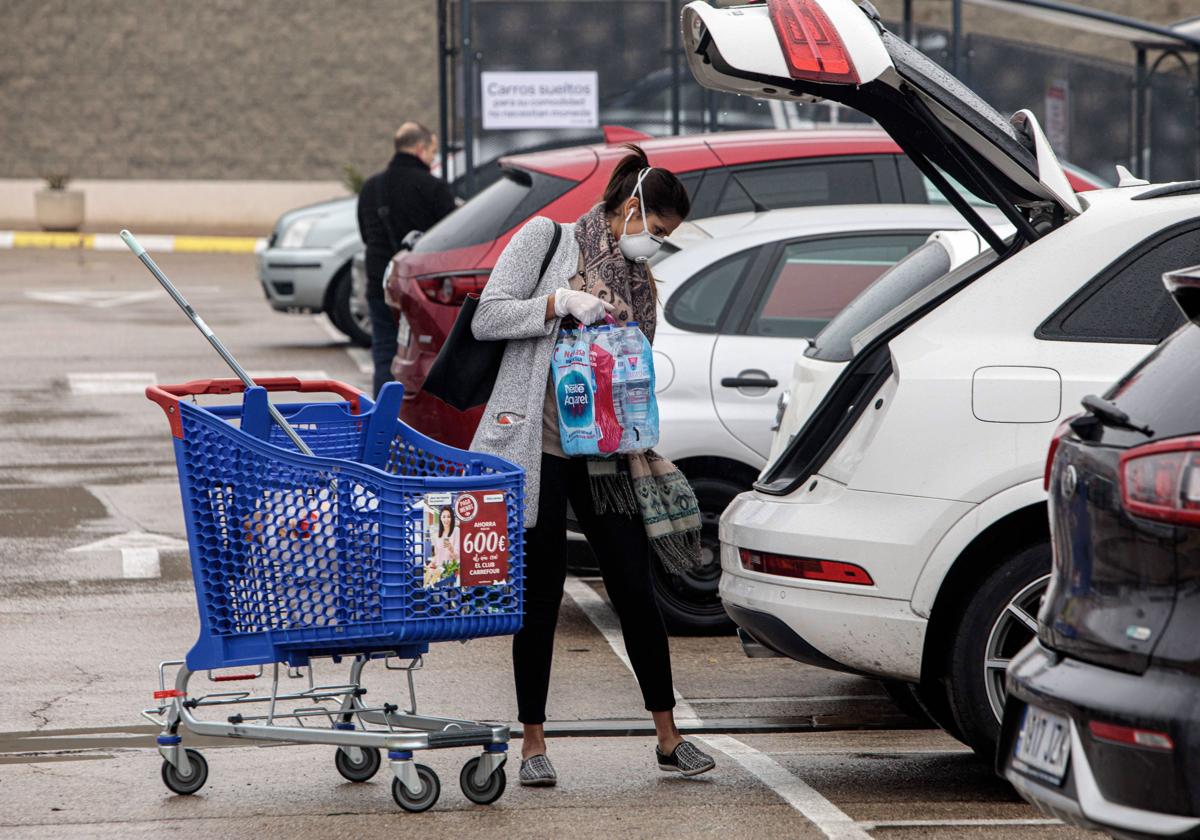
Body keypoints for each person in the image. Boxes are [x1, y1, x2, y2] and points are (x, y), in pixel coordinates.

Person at [469, 145, 716, 786]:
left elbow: (633, 364)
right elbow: (488, 317)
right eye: (656, 231)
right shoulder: (547, 239)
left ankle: (668, 738)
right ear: (631, 207)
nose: (655, 246)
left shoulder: (640, 284)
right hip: (539, 446)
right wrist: (558, 305)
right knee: (541, 593)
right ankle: (532, 743)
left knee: (635, 587)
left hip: (606, 454)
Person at [356, 121, 457, 396]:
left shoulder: (371, 188)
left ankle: (383, 421)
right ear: (420, 148)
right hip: (421, 288)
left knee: (385, 352)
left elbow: (367, 235)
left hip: (381, 282)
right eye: (433, 151)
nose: (433, 158)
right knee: (423, 357)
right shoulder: (434, 188)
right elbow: (452, 239)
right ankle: (413, 419)